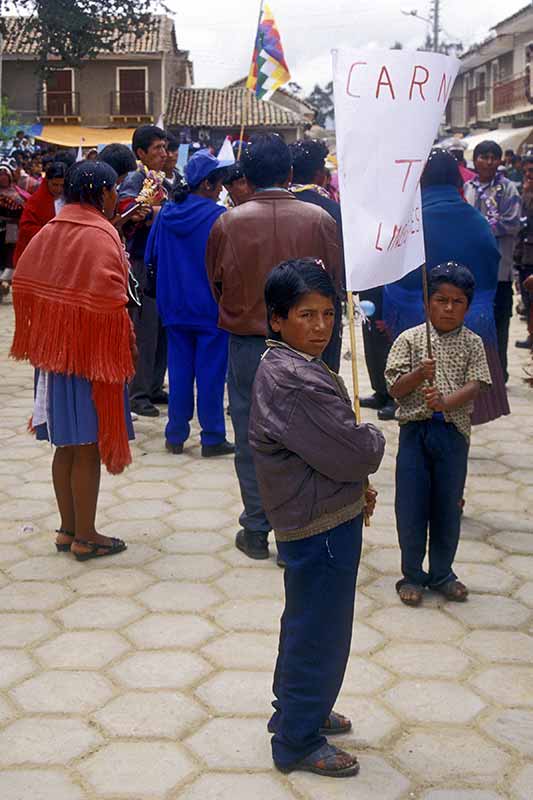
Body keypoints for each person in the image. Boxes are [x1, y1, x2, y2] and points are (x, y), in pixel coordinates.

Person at [249, 258, 384, 777]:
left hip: (316, 509)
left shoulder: (286, 363)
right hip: (319, 522)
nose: (321, 327)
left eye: (328, 314)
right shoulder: (294, 381)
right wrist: (372, 441)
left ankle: (296, 709)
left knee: (306, 619)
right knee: (321, 629)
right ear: (277, 319)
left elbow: (332, 453)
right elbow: (352, 452)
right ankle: (297, 741)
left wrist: (353, 481)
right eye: (306, 315)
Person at [206, 133, 342, 561]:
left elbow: (217, 283)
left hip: (250, 344)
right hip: (309, 343)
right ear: (288, 173)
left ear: (246, 175)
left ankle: (257, 527)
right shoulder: (320, 219)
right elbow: (334, 285)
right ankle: (297, 530)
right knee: (311, 433)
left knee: (252, 438)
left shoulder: (228, 222)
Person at [10, 160, 135, 561]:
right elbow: (112, 300)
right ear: (100, 192)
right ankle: (86, 535)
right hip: (89, 359)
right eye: (113, 188)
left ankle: (67, 529)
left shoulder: (54, 226)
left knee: (65, 446)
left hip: (53, 355)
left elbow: (25, 277)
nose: (116, 195)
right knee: (86, 448)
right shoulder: (99, 234)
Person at [385, 263, 492, 607]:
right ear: (428, 303)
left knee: (448, 505)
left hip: (453, 435)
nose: (448, 308)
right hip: (415, 433)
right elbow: (396, 390)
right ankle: (412, 574)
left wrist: (445, 402)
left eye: (457, 301)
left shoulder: (473, 343)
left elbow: (476, 384)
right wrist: (419, 374)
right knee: (412, 505)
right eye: (441, 300)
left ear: (467, 305)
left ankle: (443, 572)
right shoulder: (411, 340)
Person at [385, 149, 509, 424]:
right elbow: (491, 265)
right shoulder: (476, 220)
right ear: (457, 180)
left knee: (422, 396)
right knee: (462, 394)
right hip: (470, 319)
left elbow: (395, 275)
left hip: (418, 323)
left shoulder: (413, 222)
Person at [145, 150, 235, 457]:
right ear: (207, 185)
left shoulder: (166, 214)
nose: (223, 188)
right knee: (211, 374)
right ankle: (211, 437)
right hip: (210, 308)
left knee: (179, 370)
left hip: (173, 307)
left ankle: (175, 434)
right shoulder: (219, 217)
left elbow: (151, 257)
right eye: (220, 182)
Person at [118, 124, 168, 417]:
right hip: (140, 261)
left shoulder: (162, 180)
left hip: (162, 261)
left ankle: (153, 385)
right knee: (145, 329)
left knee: (162, 327)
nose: (164, 153)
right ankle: (138, 393)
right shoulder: (135, 181)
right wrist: (150, 213)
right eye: (157, 148)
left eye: (164, 147)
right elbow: (128, 211)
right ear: (141, 153)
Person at [464, 140, 521, 382]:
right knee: (473, 324)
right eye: (483, 157)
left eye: (493, 157)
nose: (488, 161)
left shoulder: (509, 189)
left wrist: (480, 227)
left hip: (500, 270)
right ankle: (475, 375)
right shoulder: (468, 187)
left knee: (499, 325)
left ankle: (499, 374)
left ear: (500, 161)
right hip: (473, 271)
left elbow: (512, 222)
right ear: (475, 160)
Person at [289, 138, 345, 375]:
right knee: (324, 374)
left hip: (285, 302)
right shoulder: (332, 209)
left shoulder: (275, 204)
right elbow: (341, 263)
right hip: (323, 303)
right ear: (320, 174)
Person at [13, 162, 66, 265]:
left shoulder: (69, 200)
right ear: (47, 182)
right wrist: (52, 233)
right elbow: (26, 228)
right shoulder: (36, 201)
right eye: (55, 185)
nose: (59, 189)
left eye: (62, 185)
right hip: (39, 254)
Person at [513, 156, 533, 349]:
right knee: (527, 300)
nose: (528, 175)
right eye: (526, 171)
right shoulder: (524, 195)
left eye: (532, 172)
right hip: (524, 256)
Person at [0, 164, 26, 287]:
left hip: (13, 226)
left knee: (11, 251)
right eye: (0, 175)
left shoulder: (17, 192)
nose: (2, 178)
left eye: (5, 175)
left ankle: (5, 279)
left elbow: (24, 207)